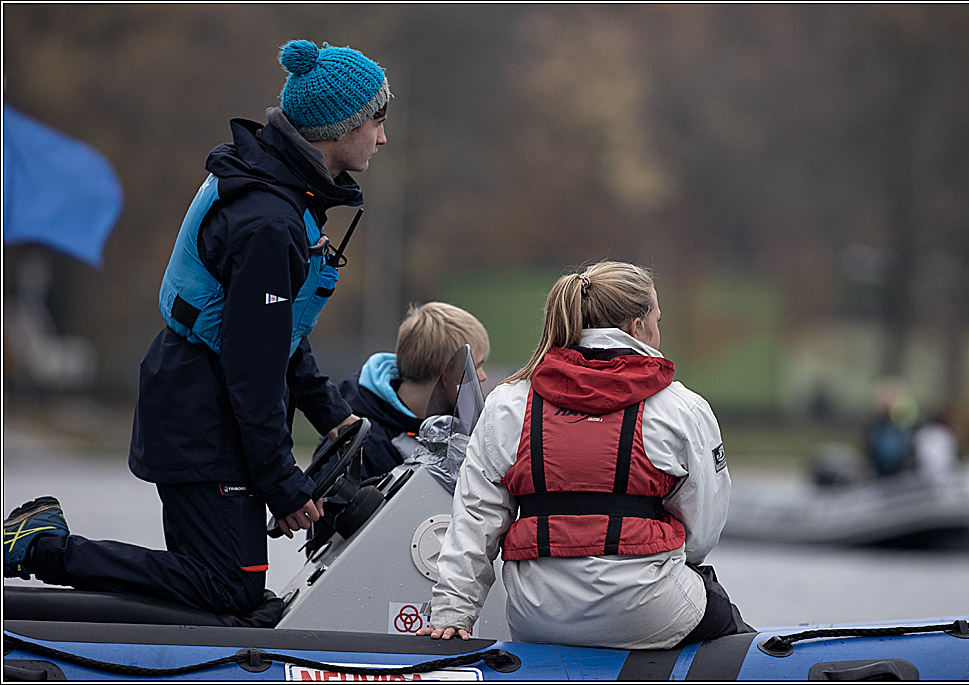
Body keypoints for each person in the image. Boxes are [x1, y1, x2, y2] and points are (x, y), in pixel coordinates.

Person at [4, 39, 392, 619]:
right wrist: (282, 483)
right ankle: (41, 547)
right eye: (376, 121)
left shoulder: (280, 191)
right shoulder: (270, 223)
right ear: (338, 129)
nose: (382, 137)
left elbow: (278, 335)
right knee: (227, 588)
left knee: (228, 587)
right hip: (201, 415)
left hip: (201, 402)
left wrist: (331, 414)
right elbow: (253, 370)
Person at [417, 261, 751, 649]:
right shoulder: (683, 408)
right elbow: (701, 533)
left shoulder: (507, 404)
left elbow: (475, 517)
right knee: (722, 613)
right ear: (637, 326)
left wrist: (452, 613)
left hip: (537, 615)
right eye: (657, 320)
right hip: (648, 612)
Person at [339, 302, 490, 478]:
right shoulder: (358, 437)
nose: (482, 376)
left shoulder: (452, 427)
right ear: (448, 375)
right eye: (475, 367)